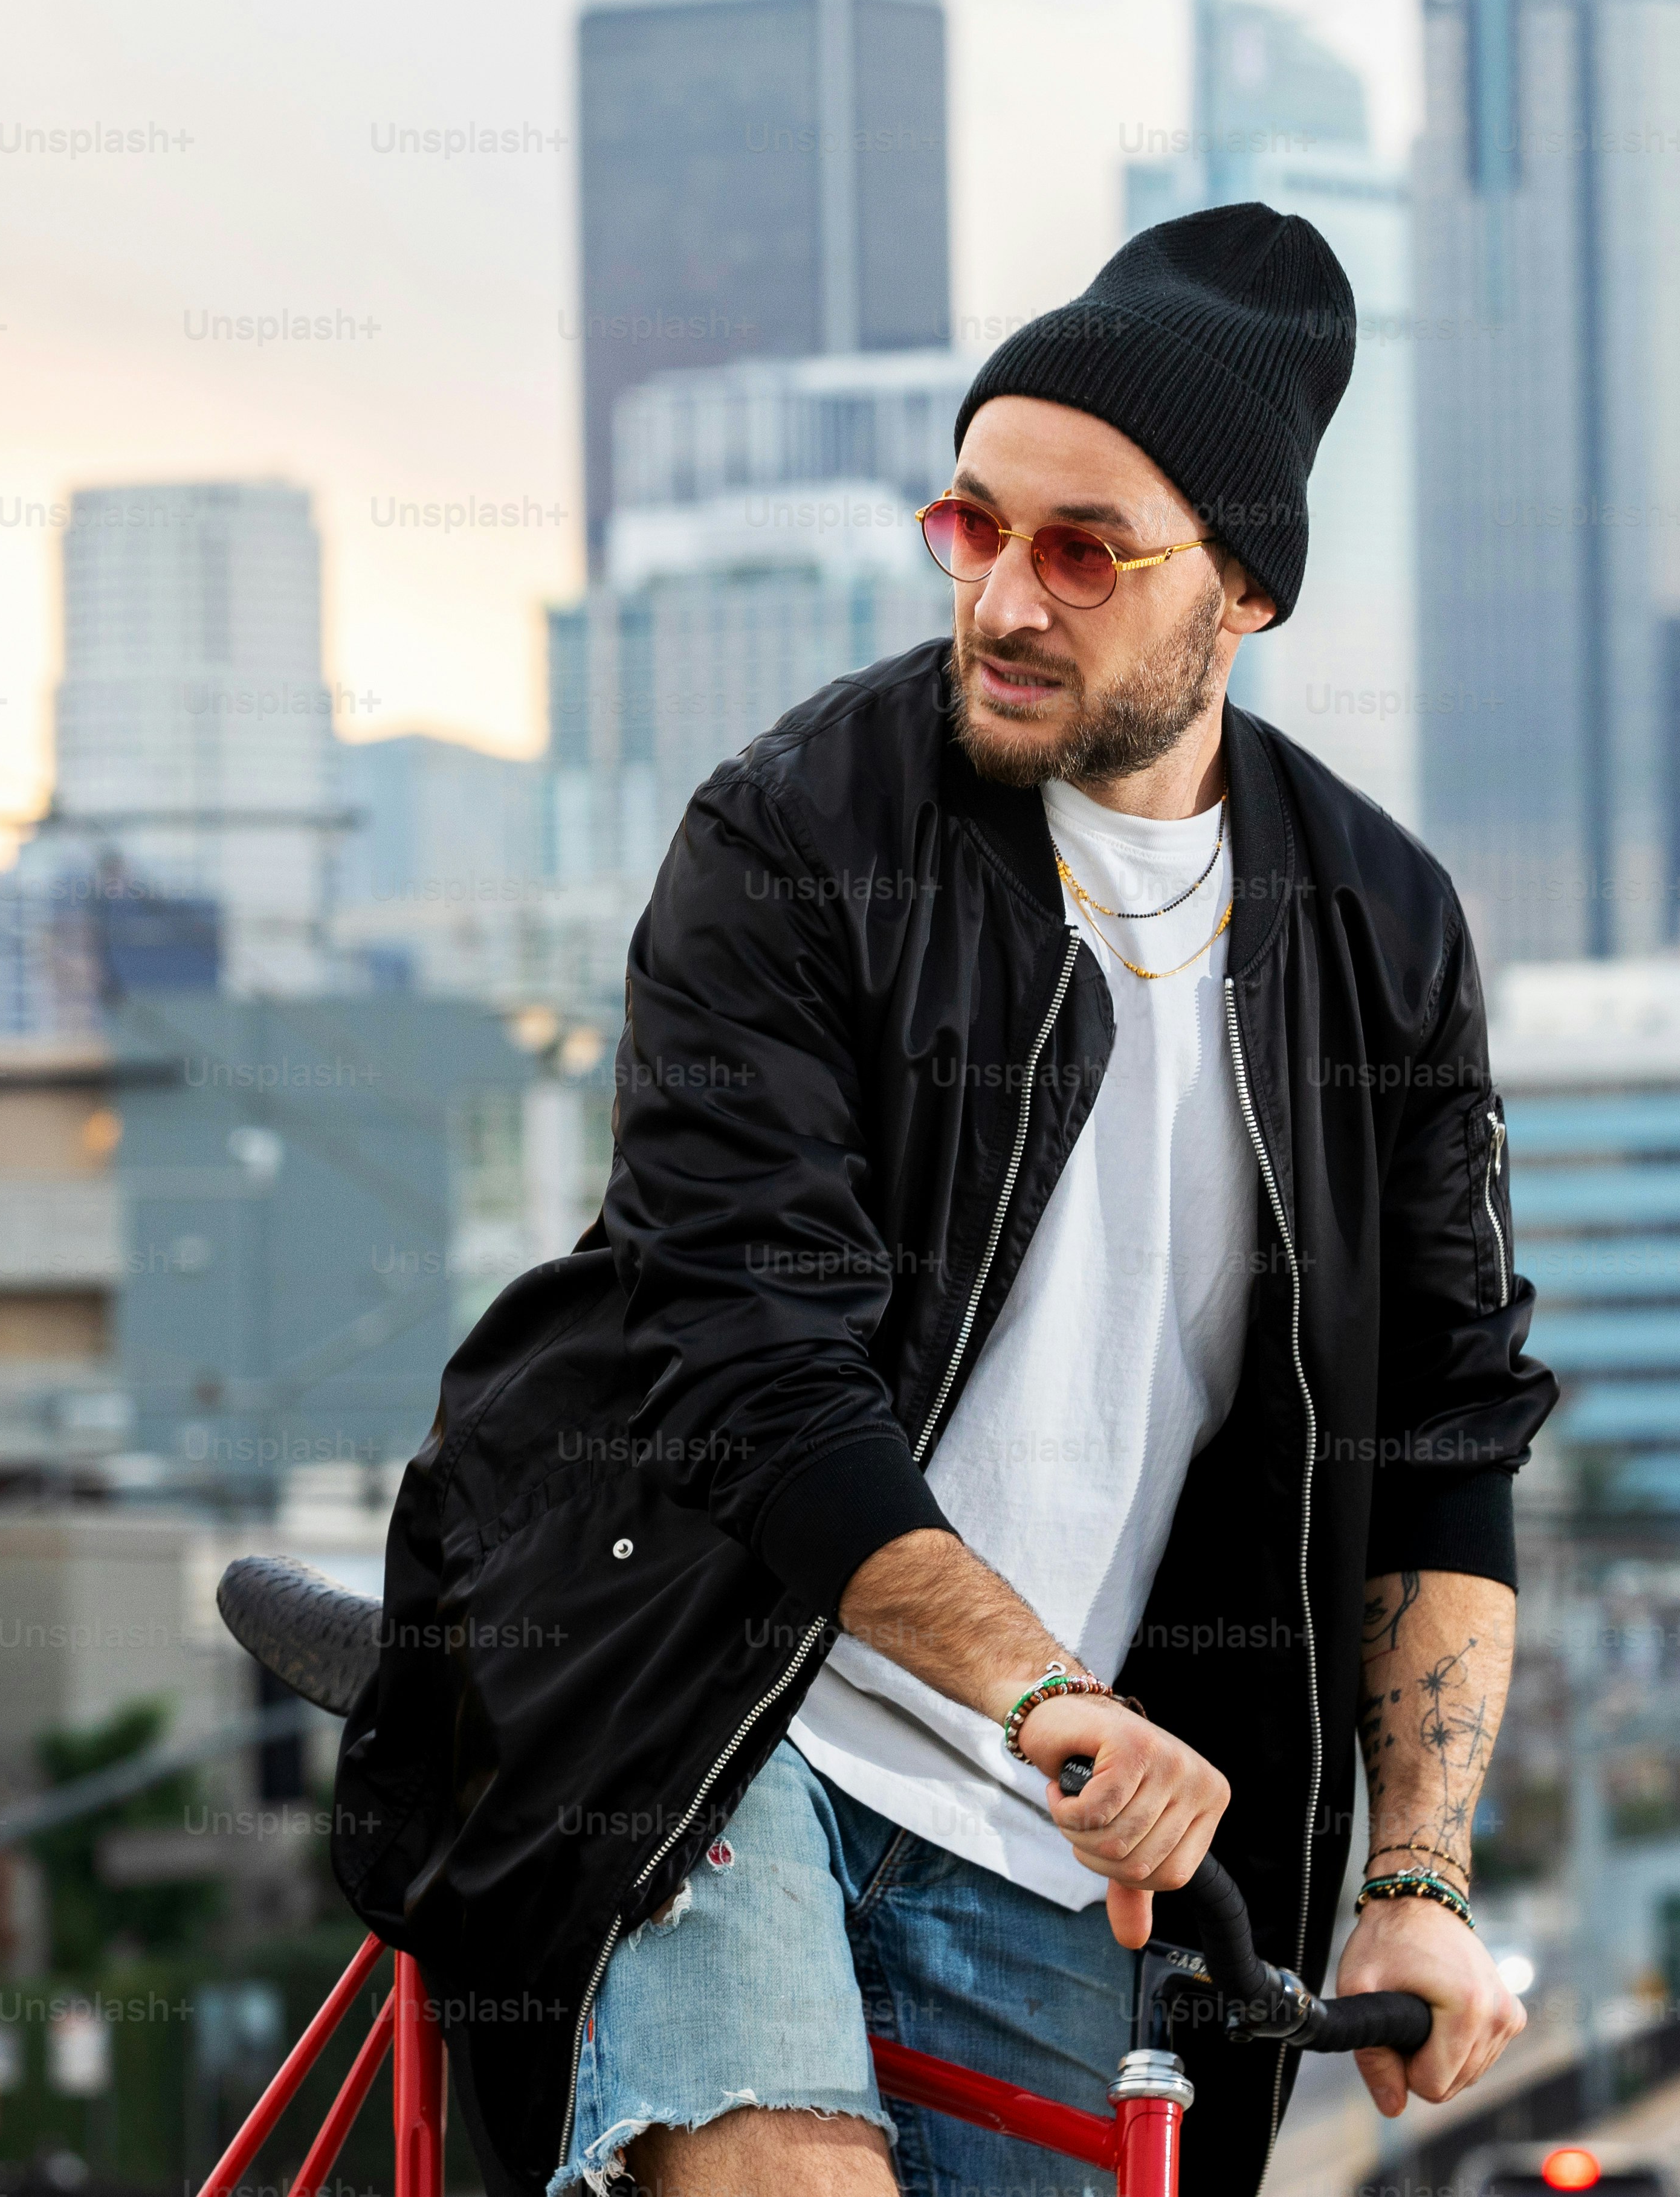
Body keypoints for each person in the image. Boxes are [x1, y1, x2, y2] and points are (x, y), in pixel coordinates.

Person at [332, 204, 1554, 2196]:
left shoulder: (1379, 930)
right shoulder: (798, 838)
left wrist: (1415, 1875)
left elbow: (1446, 1433)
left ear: (1238, 591)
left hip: (1057, 1824)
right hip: (699, 1705)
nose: (1003, 597)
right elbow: (753, 1375)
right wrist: (1047, 1692)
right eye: (972, 526)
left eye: (1084, 550)